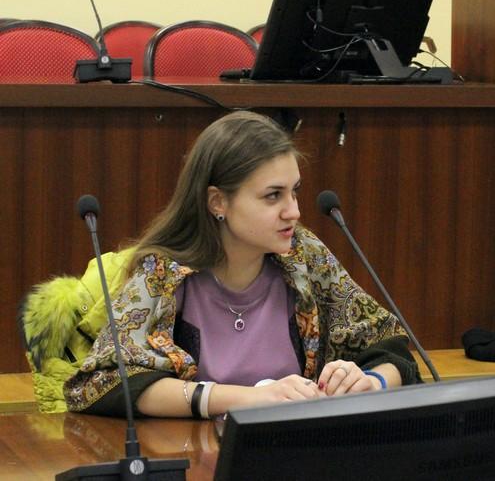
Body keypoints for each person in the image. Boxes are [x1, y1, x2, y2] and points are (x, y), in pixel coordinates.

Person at [47, 110, 420, 418]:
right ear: (217, 203)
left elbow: (391, 350)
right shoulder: (165, 272)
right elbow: (105, 383)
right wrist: (246, 399)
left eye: (294, 191)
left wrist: (370, 381)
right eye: (273, 196)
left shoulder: (304, 256)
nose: (293, 211)